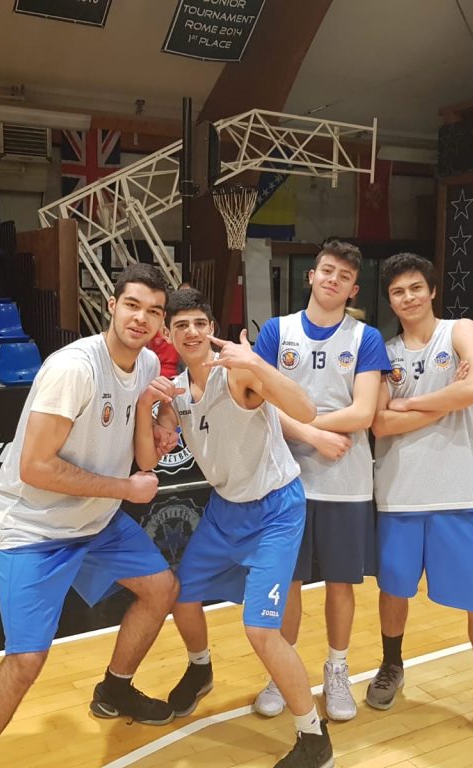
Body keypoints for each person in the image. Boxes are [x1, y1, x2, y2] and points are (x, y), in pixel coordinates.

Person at [0, 264, 181, 768]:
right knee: (26, 660)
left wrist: (164, 415)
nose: (141, 318)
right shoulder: (74, 369)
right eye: (132, 305)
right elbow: (35, 467)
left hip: (95, 519)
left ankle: (114, 690)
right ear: (111, 306)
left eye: (153, 311)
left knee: (161, 589)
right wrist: (125, 488)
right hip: (34, 527)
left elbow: (158, 399)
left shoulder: (145, 363)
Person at [160, 289, 335, 768]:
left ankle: (314, 739)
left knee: (261, 630)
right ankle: (200, 670)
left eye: (199, 322)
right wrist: (151, 414)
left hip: (275, 510)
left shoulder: (238, 373)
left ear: (212, 328)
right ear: (169, 335)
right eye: (181, 325)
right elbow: (152, 448)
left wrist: (257, 363)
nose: (192, 332)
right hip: (225, 510)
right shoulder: (175, 393)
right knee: (179, 595)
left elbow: (305, 410)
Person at [368, 252, 473, 743]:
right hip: (398, 495)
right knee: (394, 592)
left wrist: (408, 402)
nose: (407, 297)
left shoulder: (460, 331)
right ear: (390, 301)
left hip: (461, 493)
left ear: (431, 290)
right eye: (397, 292)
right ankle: (392, 665)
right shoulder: (383, 352)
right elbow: (379, 423)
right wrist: (443, 402)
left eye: (415, 287)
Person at [250, 240, 389, 721]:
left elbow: (364, 412)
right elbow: (259, 404)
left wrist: (306, 425)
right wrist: (311, 432)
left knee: (340, 583)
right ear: (311, 276)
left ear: (353, 289)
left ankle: (337, 670)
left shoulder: (365, 338)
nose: (333, 279)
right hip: (285, 481)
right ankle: (282, 671)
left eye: (344, 276)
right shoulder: (277, 331)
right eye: (327, 270)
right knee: (287, 582)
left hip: (346, 481)